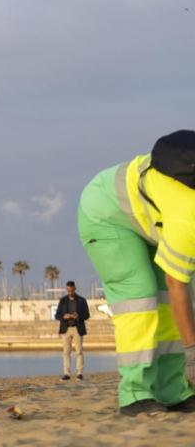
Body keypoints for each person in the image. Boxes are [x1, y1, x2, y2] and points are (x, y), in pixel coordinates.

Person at [77, 130, 195, 416]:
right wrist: (193, 352)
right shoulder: (188, 215)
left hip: (148, 220)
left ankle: (173, 391)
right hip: (105, 213)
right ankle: (135, 393)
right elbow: (177, 284)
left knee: (167, 303)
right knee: (139, 296)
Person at [55, 280, 89, 381]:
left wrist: (78, 316)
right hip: (66, 329)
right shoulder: (63, 300)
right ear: (67, 289)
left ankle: (79, 373)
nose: (70, 292)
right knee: (66, 352)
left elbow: (87, 315)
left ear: (75, 289)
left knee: (79, 351)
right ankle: (67, 374)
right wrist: (64, 316)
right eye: (68, 290)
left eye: (71, 290)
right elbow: (57, 315)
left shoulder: (82, 300)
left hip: (77, 328)